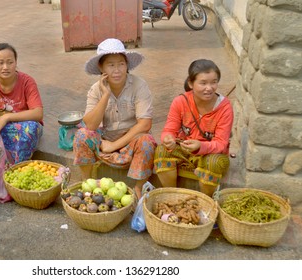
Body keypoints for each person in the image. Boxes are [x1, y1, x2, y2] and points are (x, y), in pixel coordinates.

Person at [73, 38, 157, 200]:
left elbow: (145, 124)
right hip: (104, 142)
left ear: (127, 65)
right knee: (82, 135)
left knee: (147, 142)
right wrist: (105, 95)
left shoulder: (139, 85)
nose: (117, 70)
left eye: (121, 64)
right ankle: (87, 182)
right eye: (111, 65)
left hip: (131, 142)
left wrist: (114, 146)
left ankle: (138, 189)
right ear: (101, 68)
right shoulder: (96, 90)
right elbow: (90, 125)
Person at [154, 59, 233, 197]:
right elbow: (169, 129)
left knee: (213, 162)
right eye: (203, 83)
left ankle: (206, 200)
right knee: (162, 150)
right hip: (184, 152)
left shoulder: (224, 108)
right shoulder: (180, 102)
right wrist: (168, 138)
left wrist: (200, 146)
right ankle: (172, 196)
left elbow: (221, 143)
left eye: (214, 82)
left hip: (210, 155)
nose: (209, 88)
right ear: (191, 83)